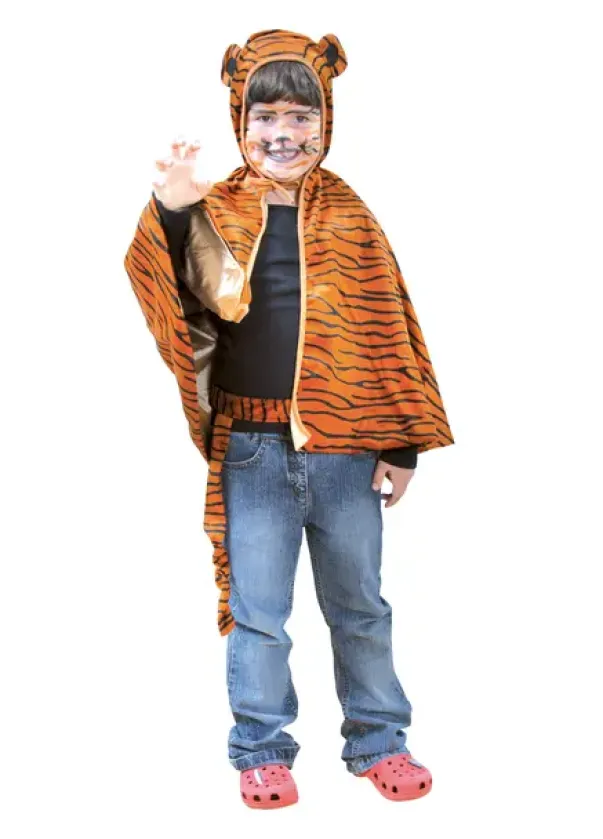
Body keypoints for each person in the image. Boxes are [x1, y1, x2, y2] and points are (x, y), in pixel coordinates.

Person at [124, 29, 454, 809]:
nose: (283, 133)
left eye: (301, 117)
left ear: (325, 119)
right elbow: (186, 293)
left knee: (360, 607)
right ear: (240, 120)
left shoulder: (349, 215)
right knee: (259, 615)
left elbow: (386, 329)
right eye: (265, 116)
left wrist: (402, 442)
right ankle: (262, 750)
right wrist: (174, 212)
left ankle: (378, 739)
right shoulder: (214, 208)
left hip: (347, 450)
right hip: (251, 449)